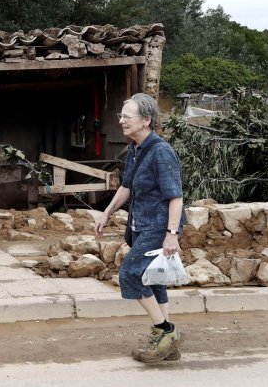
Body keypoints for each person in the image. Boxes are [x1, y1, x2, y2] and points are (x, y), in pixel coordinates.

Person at [95, 92, 186, 363]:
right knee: (154, 280)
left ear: (146, 120)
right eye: (120, 116)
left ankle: (165, 330)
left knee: (130, 275)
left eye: (127, 116)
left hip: (157, 227)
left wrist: (171, 234)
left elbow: (176, 196)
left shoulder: (160, 151)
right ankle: (168, 345)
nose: (121, 121)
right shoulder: (136, 148)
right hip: (140, 225)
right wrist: (107, 212)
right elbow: (127, 185)